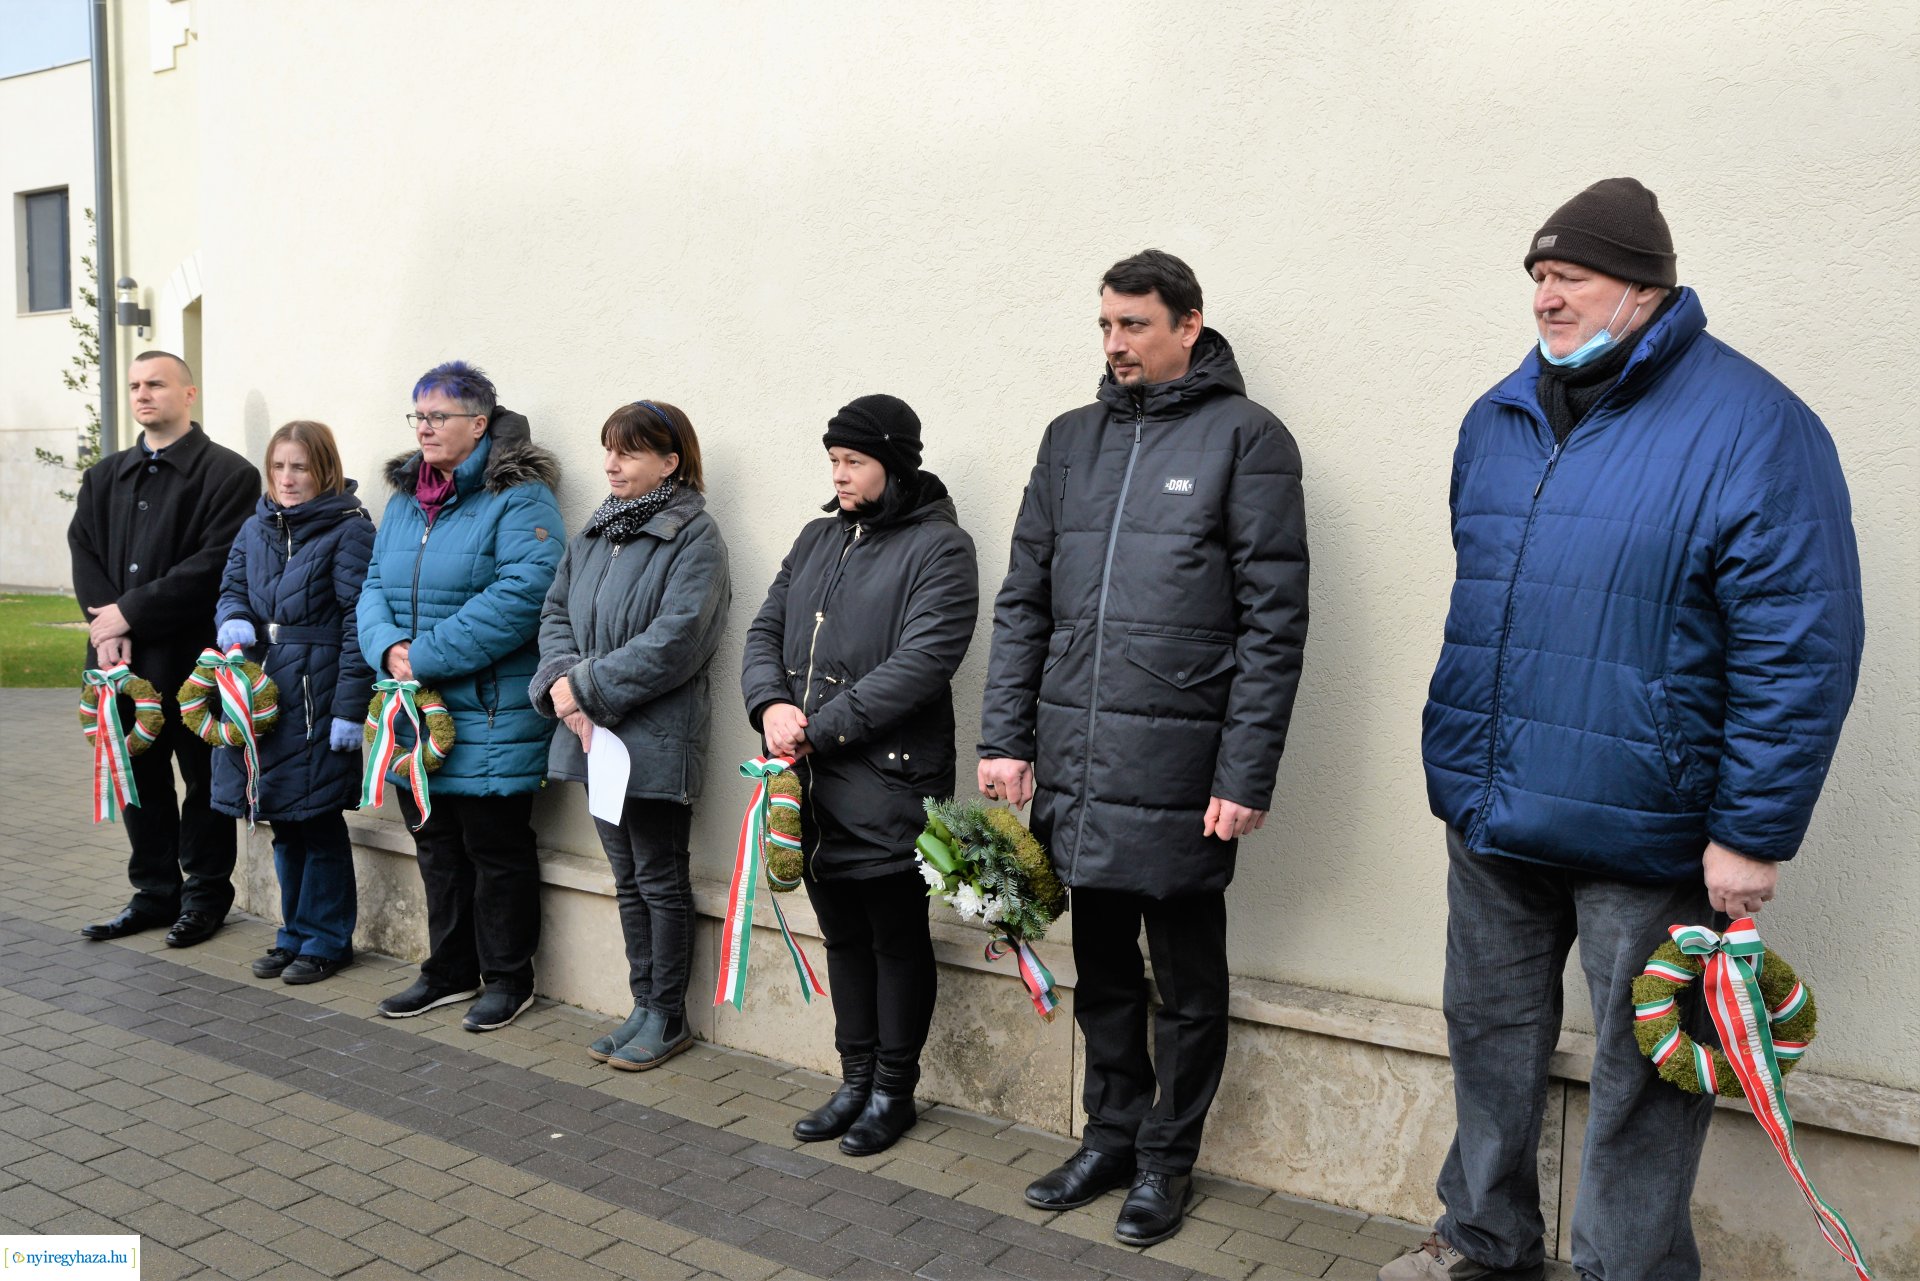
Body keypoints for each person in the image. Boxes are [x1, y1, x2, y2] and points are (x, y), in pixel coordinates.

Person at [1387, 179, 1864, 1281]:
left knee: (1643, 1075)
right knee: (1488, 1040)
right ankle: (1483, 1240)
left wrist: (1752, 833)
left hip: (1646, 828)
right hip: (1494, 811)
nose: (1548, 298)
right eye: (1539, 277)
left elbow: (1802, 645)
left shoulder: (1754, 426)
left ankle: (1625, 1270)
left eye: (1573, 277)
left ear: (1646, 290)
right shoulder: (1501, 414)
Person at [978, 250, 1309, 1246]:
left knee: (1189, 983)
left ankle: (1168, 1161)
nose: (1116, 344)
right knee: (1104, 969)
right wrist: (1003, 738)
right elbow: (1024, 600)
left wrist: (1244, 774)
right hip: (1078, 766)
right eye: (1106, 327)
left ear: (1189, 326)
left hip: (1182, 774)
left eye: (1134, 325)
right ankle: (1109, 1135)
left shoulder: (1248, 440)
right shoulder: (1068, 440)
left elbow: (1273, 624)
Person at [741, 394, 978, 1158]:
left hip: (887, 777)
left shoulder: (941, 548)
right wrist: (770, 703)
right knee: (842, 934)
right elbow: (765, 630)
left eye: (854, 462)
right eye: (834, 462)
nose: (839, 475)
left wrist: (820, 727)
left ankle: (892, 1092)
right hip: (808, 779)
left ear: (895, 463)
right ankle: (853, 1078)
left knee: (895, 938)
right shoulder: (817, 538)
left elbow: (924, 660)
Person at [358, 360, 564, 1033]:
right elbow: (371, 588)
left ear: (478, 423)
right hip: (414, 708)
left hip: (490, 709)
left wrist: (424, 655)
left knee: (494, 849)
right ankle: (449, 967)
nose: (424, 427)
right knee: (434, 844)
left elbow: (525, 593)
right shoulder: (400, 500)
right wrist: (387, 646)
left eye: (438, 416)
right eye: (417, 415)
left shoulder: (518, 495)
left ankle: (509, 977)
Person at [532, 400, 730, 1070]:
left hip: (652, 737)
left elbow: (675, 641)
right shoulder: (595, 533)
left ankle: (667, 1015)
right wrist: (565, 685)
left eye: (631, 451)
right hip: (593, 736)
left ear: (670, 462)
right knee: (626, 876)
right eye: (609, 449)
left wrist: (584, 689)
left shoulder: (695, 539)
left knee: (659, 875)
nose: (612, 463)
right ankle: (641, 1004)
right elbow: (555, 612)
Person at [70, 351, 260, 948]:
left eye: (156, 383)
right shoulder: (105, 476)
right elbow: (85, 553)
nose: (143, 394)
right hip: (118, 663)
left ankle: (205, 895)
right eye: (134, 385)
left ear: (189, 393)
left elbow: (214, 564)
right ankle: (154, 892)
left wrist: (131, 611)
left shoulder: (229, 474)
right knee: (137, 776)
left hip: (192, 660)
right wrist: (108, 625)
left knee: (203, 780)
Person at [211, 421, 375, 984]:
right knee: (283, 819)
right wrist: (232, 620)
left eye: (299, 466)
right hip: (267, 694)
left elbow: (360, 621)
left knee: (320, 821)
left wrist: (351, 710)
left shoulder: (349, 531)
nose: (287, 478)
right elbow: (232, 586)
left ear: (323, 468)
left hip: (319, 693)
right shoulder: (254, 528)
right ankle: (294, 933)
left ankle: (328, 940)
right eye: (278, 466)